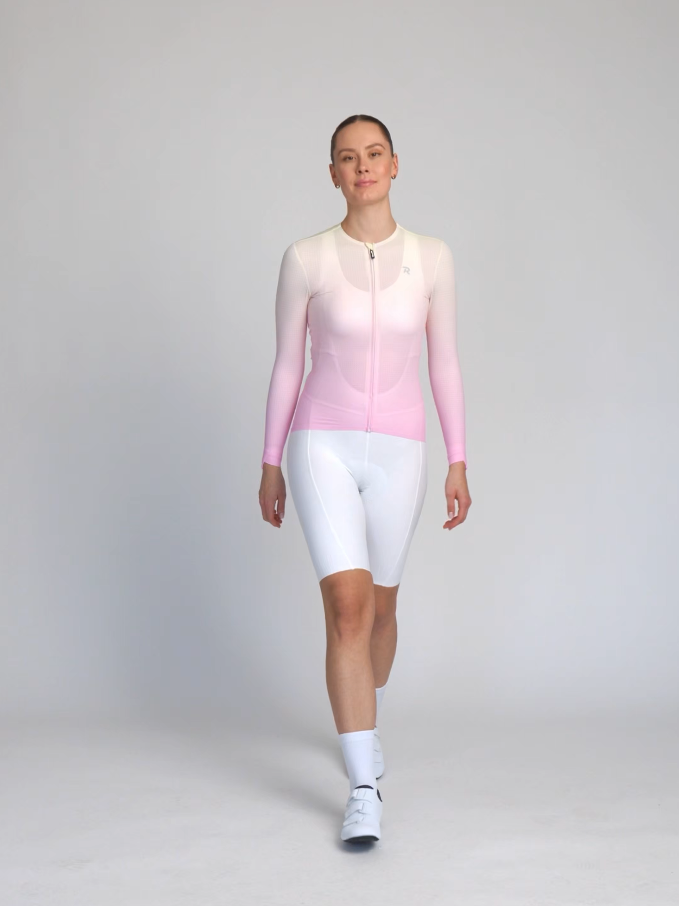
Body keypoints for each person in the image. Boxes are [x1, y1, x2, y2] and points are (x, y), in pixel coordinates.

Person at [258, 114, 472, 843]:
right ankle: (361, 789)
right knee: (346, 612)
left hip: (401, 452)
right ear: (333, 174)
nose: (362, 167)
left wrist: (458, 457)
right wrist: (269, 461)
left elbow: (444, 362)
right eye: (347, 158)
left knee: (380, 615)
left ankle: (364, 717)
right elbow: (287, 365)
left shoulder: (432, 258)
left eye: (374, 154)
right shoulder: (306, 258)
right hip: (320, 443)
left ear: (394, 164)